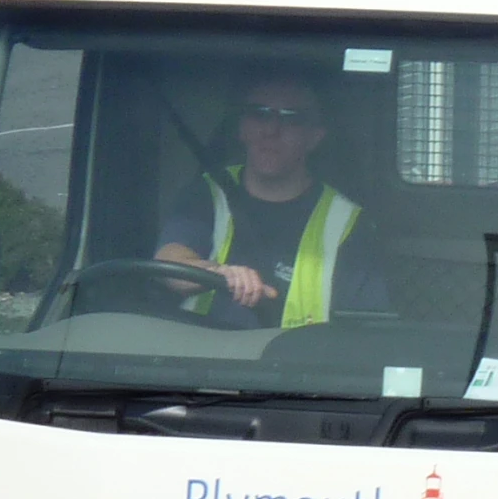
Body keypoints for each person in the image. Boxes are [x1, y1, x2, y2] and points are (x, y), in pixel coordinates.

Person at [154, 76, 387, 329]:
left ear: (315, 137)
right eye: (259, 114)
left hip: (297, 365)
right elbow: (169, 263)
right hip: (207, 362)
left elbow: (364, 329)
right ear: (242, 128)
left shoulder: (347, 221)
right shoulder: (208, 192)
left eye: (290, 118)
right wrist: (219, 273)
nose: (271, 130)